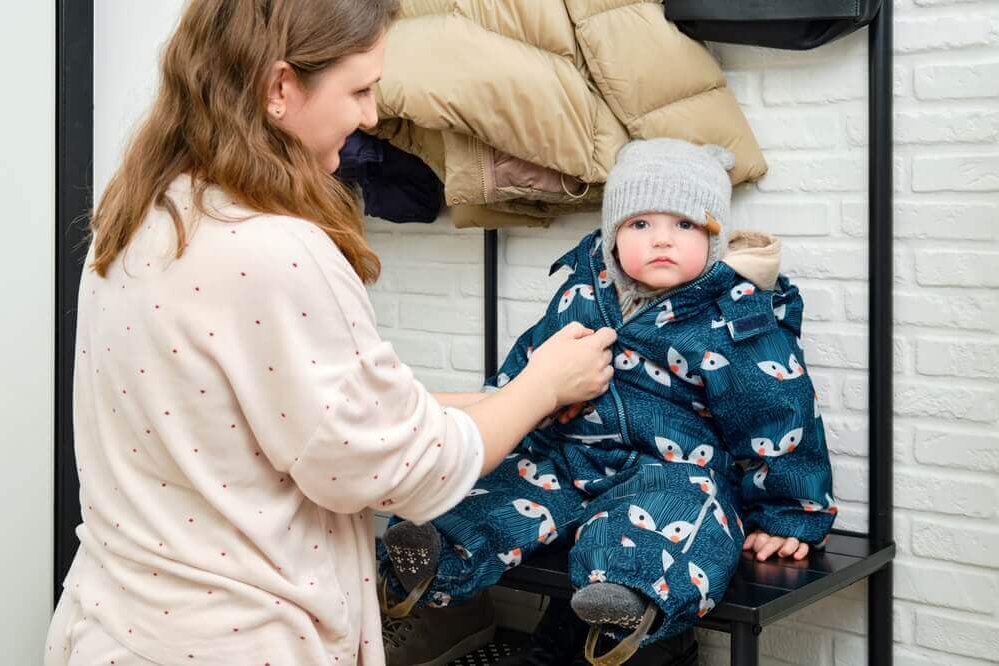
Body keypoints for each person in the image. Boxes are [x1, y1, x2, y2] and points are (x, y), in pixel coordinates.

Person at [43, 1, 617, 664]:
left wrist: (501, 395)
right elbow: (408, 468)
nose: (372, 117)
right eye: (360, 90)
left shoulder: (143, 215)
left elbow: (294, 417)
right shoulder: (277, 250)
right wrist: (542, 387)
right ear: (281, 87)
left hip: (114, 628)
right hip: (239, 641)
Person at [378, 139, 837, 665]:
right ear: (614, 232)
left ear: (714, 237)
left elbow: (779, 412)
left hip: (673, 469)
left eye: (684, 225)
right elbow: (535, 360)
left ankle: (626, 600)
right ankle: (430, 550)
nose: (661, 240)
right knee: (486, 488)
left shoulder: (733, 318)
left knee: (668, 522)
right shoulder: (584, 287)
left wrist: (789, 515)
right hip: (568, 457)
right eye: (640, 225)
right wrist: (503, 407)